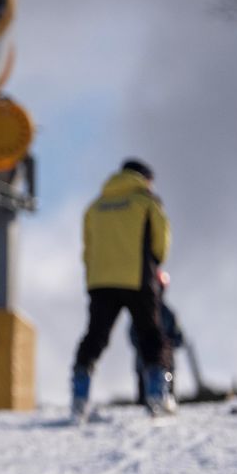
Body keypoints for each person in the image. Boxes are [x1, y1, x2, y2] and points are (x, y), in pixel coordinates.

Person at [72, 159, 173, 418]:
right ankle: (157, 395)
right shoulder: (147, 201)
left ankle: (79, 397)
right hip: (137, 278)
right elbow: (161, 243)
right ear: (145, 178)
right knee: (150, 334)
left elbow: (88, 248)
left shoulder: (95, 206)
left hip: (100, 281)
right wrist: (155, 264)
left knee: (95, 337)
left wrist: (94, 276)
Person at [129, 270, 184, 405]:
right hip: (144, 365)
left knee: (167, 400)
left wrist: (167, 344)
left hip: (167, 365)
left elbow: (179, 337)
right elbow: (133, 335)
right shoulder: (141, 312)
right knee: (144, 402)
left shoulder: (169, 314)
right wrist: (145, 345)